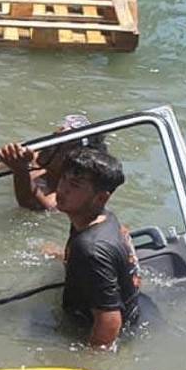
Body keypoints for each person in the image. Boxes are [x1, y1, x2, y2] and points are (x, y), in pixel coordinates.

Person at [53, 147, 140, 347]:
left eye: (74, 185)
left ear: (101, 198)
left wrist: (87, 366)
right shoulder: (102, 218)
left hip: (93, 330)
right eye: (63, 179)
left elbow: (109, 322)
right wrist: (64, 255)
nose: (62, 189)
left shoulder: (90, 249)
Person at [0, 114, 104, 211]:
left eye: (57, 144)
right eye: (52, 137)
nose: (49, 146)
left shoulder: (71, 184)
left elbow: (35, 206)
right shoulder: (37, 156)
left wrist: (21, 170)